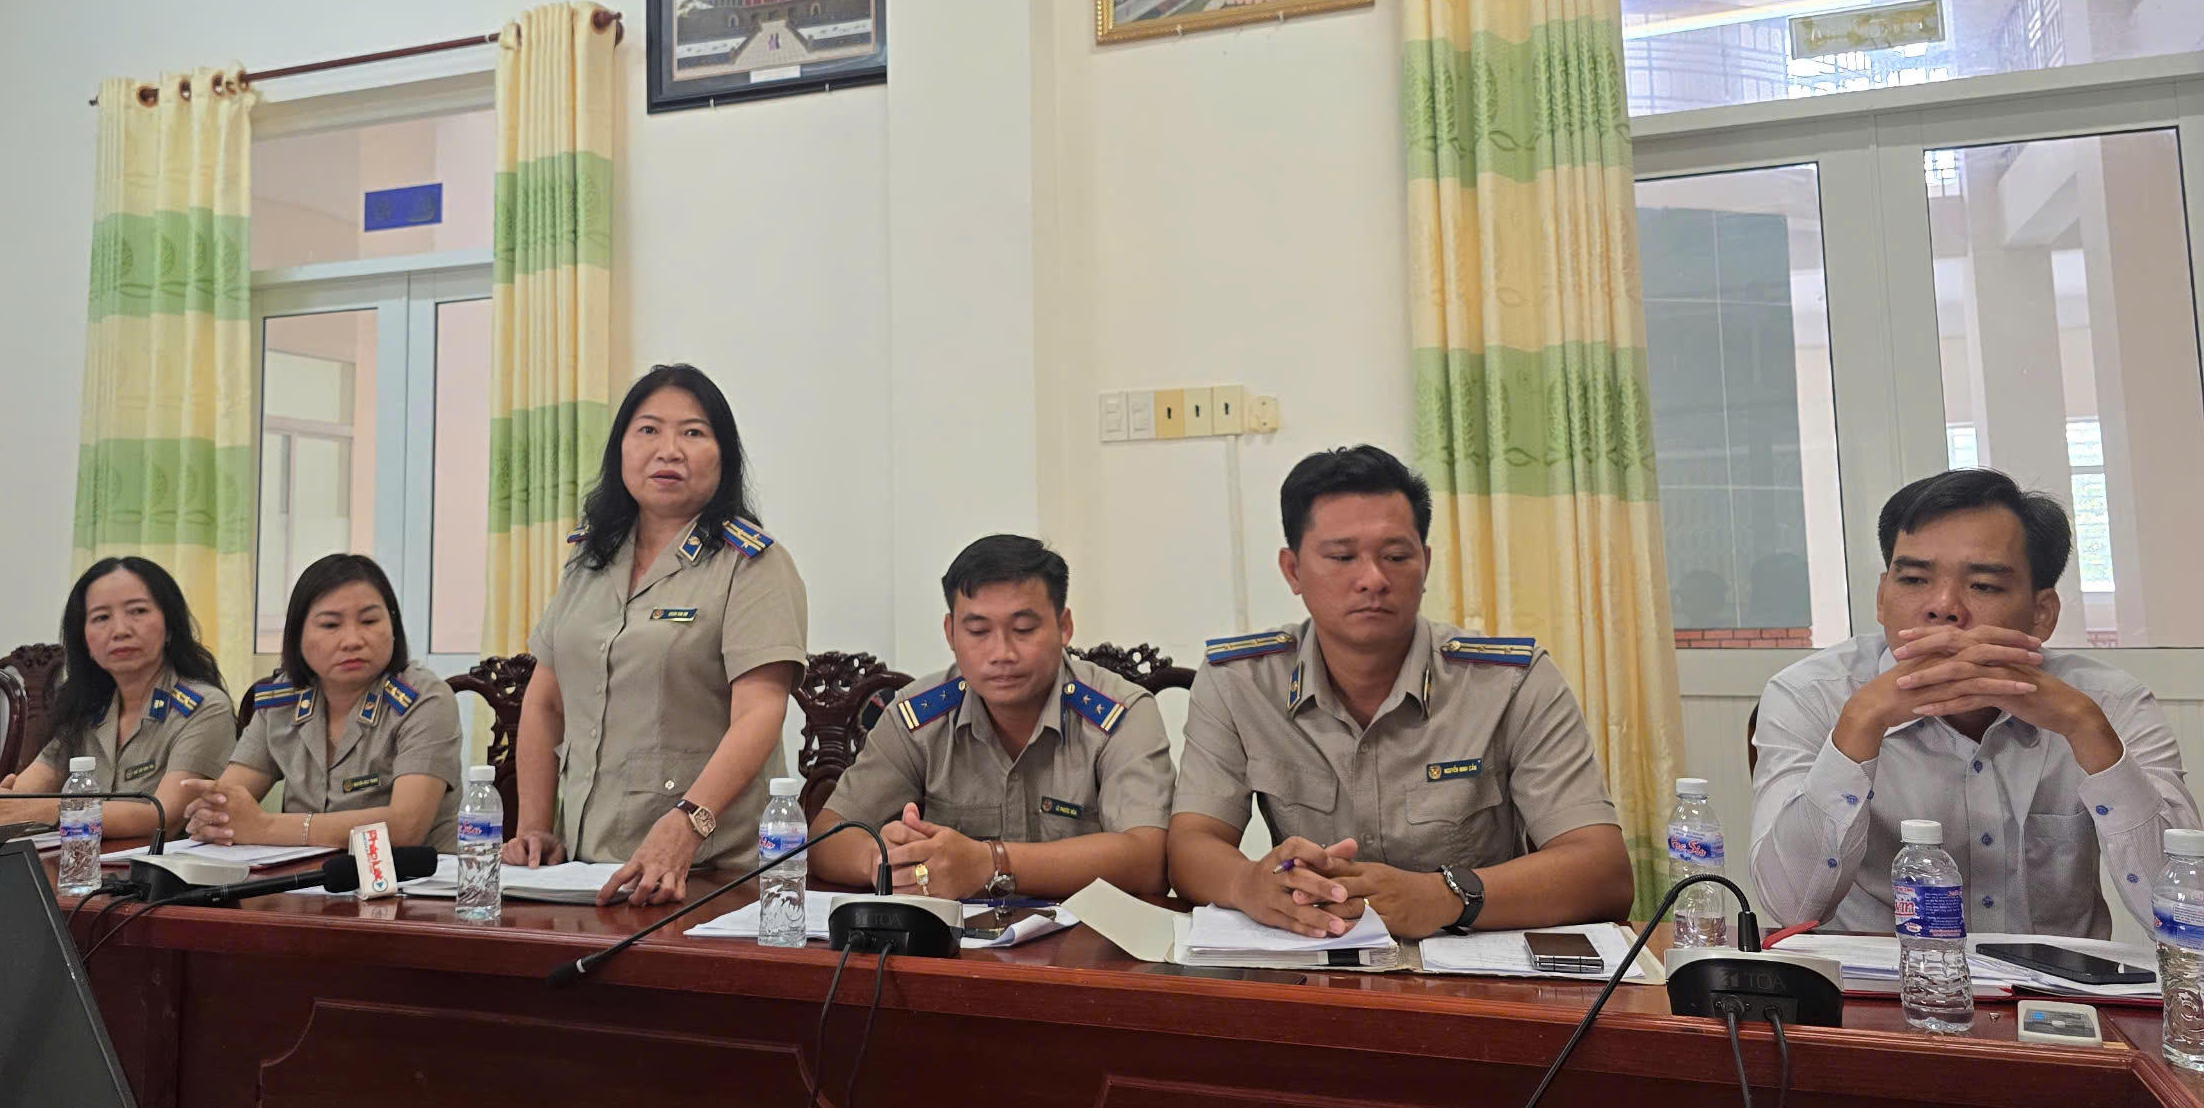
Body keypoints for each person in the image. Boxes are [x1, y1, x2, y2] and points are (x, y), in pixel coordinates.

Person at [1167, 445, 1634, 938]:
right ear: (1293, 570)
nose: (1373, 579)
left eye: (1395, 556)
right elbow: (1191, 845)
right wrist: (1247, 884)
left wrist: (1443, 896)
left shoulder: (1511, 682)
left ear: (1425, 564)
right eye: (1342, 557)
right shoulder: (1239, 681)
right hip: (1313, 959)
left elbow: (1602, 872)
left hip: (1474, 962)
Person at [1750, 468, 2199, 936]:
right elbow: (1790, 906)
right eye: (1914, 579)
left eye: (1983, 585)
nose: (1943, 607)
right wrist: (1860, 724)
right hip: (1879, 978)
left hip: (2054, 983)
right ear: (1882, 597)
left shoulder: (2107, 702)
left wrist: (2087, 731)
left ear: (2042, 613)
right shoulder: (1810, 694)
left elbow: (2189, 918)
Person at [500, 364, 809, 907]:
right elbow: (545, 702)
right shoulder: (588, 560)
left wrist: (689, 823)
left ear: (724, 456)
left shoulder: (751, 564)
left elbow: (761, 713)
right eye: (648, 430)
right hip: (583, 871)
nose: (669, 450)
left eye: (693, 432)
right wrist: (534, 827)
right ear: (620, 448)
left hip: (709, 872)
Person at [807, 534, 1173, 899]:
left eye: (1023, 629)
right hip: (953, 935)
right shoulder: (917, 718)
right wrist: (882, 860)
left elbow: (1149, 861)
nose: (1002, 653)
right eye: (978, 631)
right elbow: (826, 839)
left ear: (1064, 627)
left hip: (1084, 934)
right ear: (950, 633)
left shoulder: (1121, 713)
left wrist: (991, 862)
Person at [183, 553, 463, 852]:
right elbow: (225, 802)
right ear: (298, 635)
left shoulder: (424, 699)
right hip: (301, 876)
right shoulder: (283, 699)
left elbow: (406, 827)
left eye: (369, 621)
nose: (353, 640)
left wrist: (265, 827)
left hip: (409, 876)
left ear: (392, 625)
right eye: (330, 625)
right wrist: (213, 816)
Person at [0, 557, 233, 840]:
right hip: (83, 862)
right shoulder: (86, 708)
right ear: (84, 640)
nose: (120, 630)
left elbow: (163, 816)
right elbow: (25, 794)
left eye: (138, 611)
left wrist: (47, 809)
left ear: (170, 627)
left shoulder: (204, 708)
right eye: (101, 618)